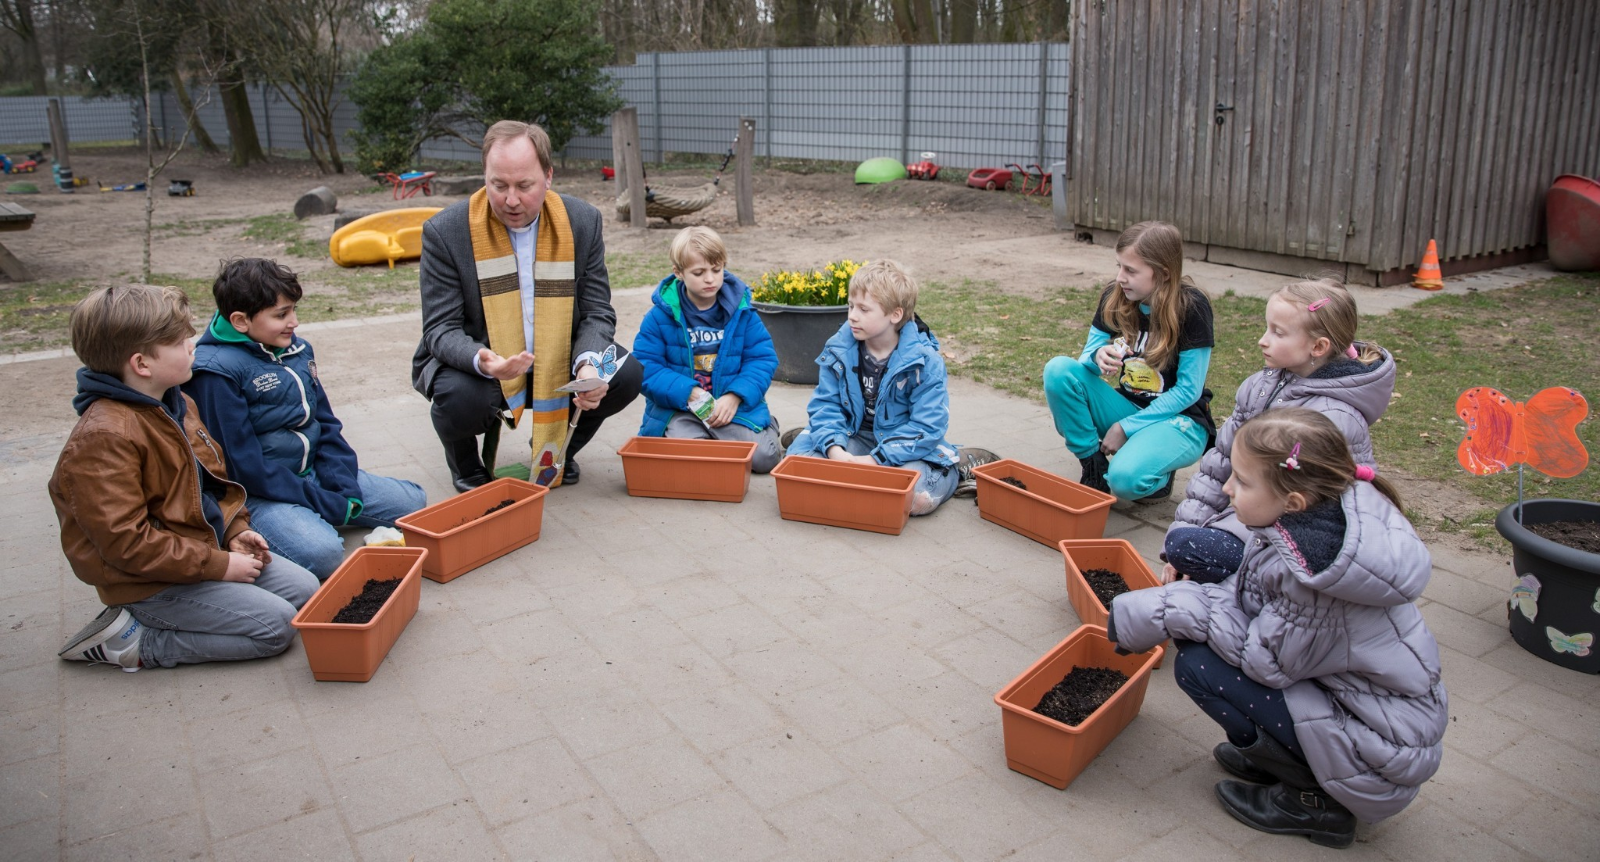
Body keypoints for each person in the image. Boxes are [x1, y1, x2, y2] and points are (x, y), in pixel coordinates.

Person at [1106, 408, 1446, 848]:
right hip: (1362, 715)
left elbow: (1267, 664)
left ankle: (1317, 801)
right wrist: (1166, 608)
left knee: (1198, 667)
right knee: (1201, 651)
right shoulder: (1307, 527)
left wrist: (1169, 608)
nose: (1228, 488)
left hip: (1378, 751)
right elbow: (1250, 601)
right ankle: (1280, 756)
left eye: (1243, 482)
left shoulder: (1316, 578)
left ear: (1294, 501)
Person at [49, 284, 320, 671]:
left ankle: (205, 596)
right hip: (148, 582)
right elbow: (126, 544)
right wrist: (219, 566)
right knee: (275, 629)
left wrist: (234, 531)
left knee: (306, 589)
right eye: (180, 341)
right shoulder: (104, 438)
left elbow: (212, 483)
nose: (193, 345)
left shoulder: (176, 400)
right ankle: (133, 642)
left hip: (199, 553)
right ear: (142, 364)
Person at [412, 119, 642, 491]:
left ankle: (556, 451)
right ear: (484, 176)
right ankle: (467, 466)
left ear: (548, 176)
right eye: (498, 185)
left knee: (625, 373)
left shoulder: (583, 221)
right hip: (485, 363)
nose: (511, 199)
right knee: (458, 396)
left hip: (559, 357)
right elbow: (440, 329)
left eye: (524, 185)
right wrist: (485, 360)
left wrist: (587, 367)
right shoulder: (446, 231)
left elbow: (598, 311)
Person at [184, 258, 428, 579]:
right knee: (324, 554)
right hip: (259, 495)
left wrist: (342, 486)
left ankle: (316, 515)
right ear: (241, 321)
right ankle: (284, 527)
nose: (294, 322)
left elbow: (325, 422)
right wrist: (325, 502)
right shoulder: (215, 372)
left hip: (311, 474)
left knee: (415, 503)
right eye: (281, 314)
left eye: (294, 309)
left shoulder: (296, 349)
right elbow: (244, 467)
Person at [1163, 278, 1394, 583]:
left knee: (1192, 554)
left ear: (1318, 346)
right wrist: (1189, 527)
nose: (1262, 340)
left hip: (1283, 541)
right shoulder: (1261, 387)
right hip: (1247, 513)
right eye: (1266, 328)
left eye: (1278, 333)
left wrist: (1207, 541)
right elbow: (1220, 465)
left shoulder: (1333, 419)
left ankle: (1250, 590)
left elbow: (1307, 515)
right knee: (1181, 546)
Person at [783, 259, 983, 515]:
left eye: (864, 310)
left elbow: (928, 426)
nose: (852, 316)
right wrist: (834, 449)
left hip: (904, 447)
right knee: (795, 475)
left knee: (916, 500)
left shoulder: (924, 361)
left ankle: (952, 468)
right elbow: (826, 404)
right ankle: (823, 442)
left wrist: (876, 460)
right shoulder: (838, 349)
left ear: (895, 315)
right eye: (851, 306)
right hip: (853, 435)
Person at [1041, 221, 1215, 501]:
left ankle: (1158, 475)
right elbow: (1085, 360)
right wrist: (1096, 357)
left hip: (1179, 420)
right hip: (1130, 406)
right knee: (1059, 370)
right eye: (1119, 266)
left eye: (1131, 270)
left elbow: (1188, 391)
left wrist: (1126, 428)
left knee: (1124, 481)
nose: (1121, 277)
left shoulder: (1191, 307)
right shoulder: (1116, 295)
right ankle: (1092, 463)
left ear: (1163, 274)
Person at [632, 226, 784, 472]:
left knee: (763, 459)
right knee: (693, 460)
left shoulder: (742, 312)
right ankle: (710, 442)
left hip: (729, 408)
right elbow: (644, 367)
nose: (710, 279)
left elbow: (763, 359)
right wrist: (689, 393)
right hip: (681, 409)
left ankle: (767, 427)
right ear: (678, 272)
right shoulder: (659, 316)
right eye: (699, 272)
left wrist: (735, 396)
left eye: (717, 269)